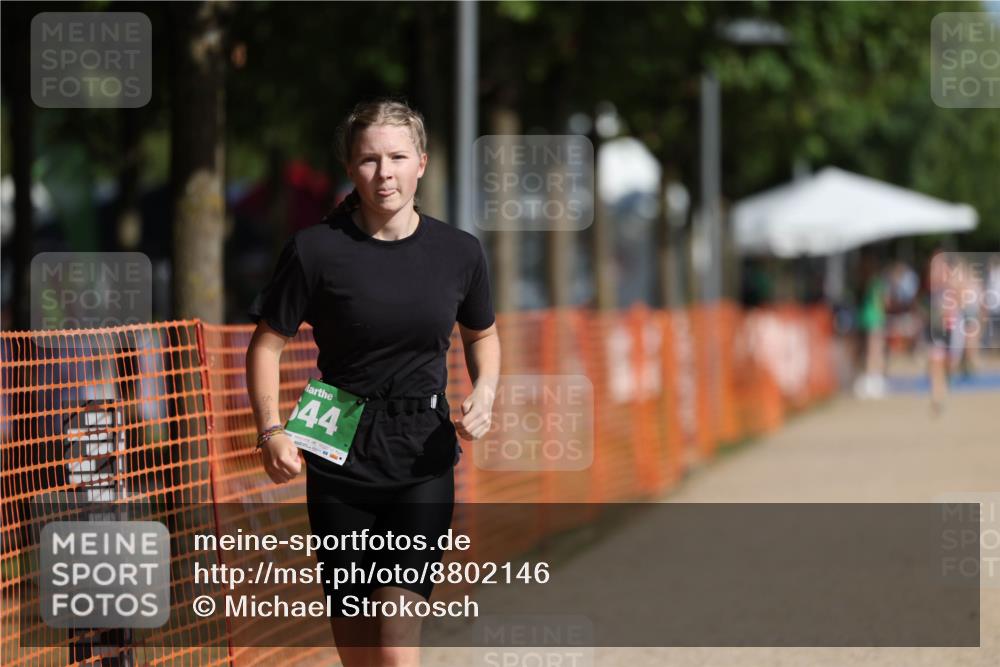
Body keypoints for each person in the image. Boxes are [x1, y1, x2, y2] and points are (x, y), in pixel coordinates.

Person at [245, 98, 501, 666]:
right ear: (349, 168)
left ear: (422, 164)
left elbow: (482, 336)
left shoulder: (460, 252)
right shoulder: (315, 250)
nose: (383, 173)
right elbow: (266, 344)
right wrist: (271, 430)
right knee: (358, 649)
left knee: (395, 638)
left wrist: (483, 392)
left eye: (397, 157)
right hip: (335, 441)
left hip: (422, 451)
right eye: (368, 160)